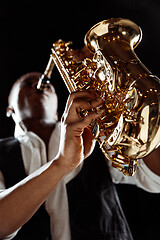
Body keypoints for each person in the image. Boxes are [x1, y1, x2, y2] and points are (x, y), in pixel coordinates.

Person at [0, 67, 160, 240]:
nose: (39, 85)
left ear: (56, 112)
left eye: (50, 87)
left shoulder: (94, 132)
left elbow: (156, 177)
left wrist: (135, 115)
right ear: (10, 110)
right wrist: (62, 164)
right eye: (27, 84)